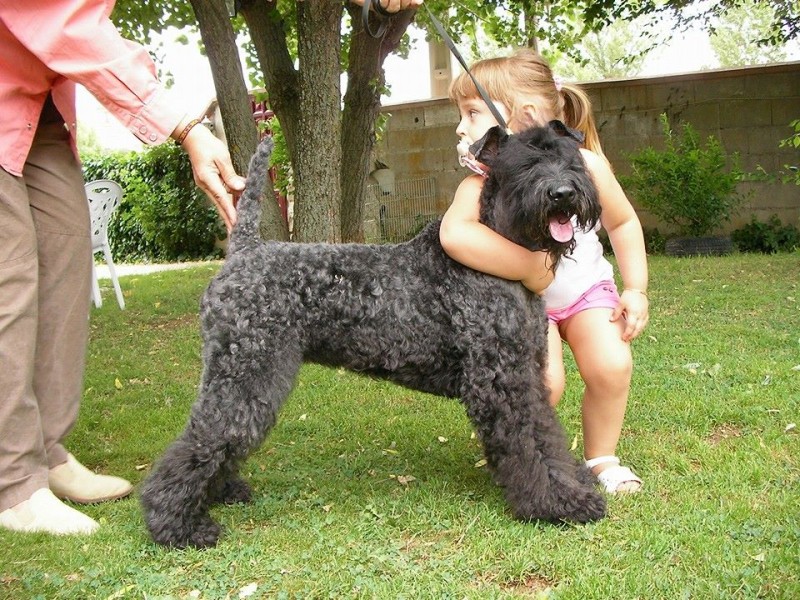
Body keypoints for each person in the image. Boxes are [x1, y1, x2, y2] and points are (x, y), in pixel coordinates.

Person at [0, 0, 248, 536]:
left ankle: (47, 450)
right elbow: (62, 20)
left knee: (66, 272)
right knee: (10, 283)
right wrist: (185, 126)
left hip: (40, 103)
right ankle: (13, 480)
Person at [439, 49, 649, 494]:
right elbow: (454, 234)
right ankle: (528, 461)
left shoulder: (587, 166)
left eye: (472, 112)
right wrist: (532, 268)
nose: (460, 126)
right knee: (544, 384)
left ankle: (602, 459)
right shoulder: (485, 178)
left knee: (612, 366)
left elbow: (623, 221)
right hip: (525, 303)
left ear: (526, 115)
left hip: (586, 291)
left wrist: (636, 288)